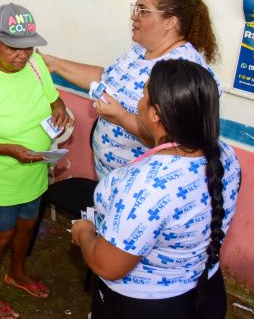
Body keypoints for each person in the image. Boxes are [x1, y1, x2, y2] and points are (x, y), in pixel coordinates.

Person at [71, 59, 242, 318]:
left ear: (155, 114)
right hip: (206, 289)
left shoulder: (146, 185)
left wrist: (84, 233)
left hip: (143, 305)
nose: (139, 101)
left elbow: (107, 265)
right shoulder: (225, 156)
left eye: (144, 94)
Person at [0, 3, 71, 319]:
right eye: (13, 48)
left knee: (27, 226)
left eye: (28, 46)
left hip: (35, 169)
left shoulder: (35, 64)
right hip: (2, 177)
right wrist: (9, 150)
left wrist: (59, 108)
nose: (23, 55)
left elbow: (53, 98)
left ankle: (17, 273)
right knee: (1, 234)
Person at [42, 0, 219, 179]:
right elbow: (106, 79)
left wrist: (122, 117)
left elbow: (178, 143)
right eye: (136, 8)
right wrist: (55, 64)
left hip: (141, 184)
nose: (134, 16)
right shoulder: (141, 50)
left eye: (143, 10)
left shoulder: (184, 71)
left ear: (170, 22)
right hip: (110, 175)